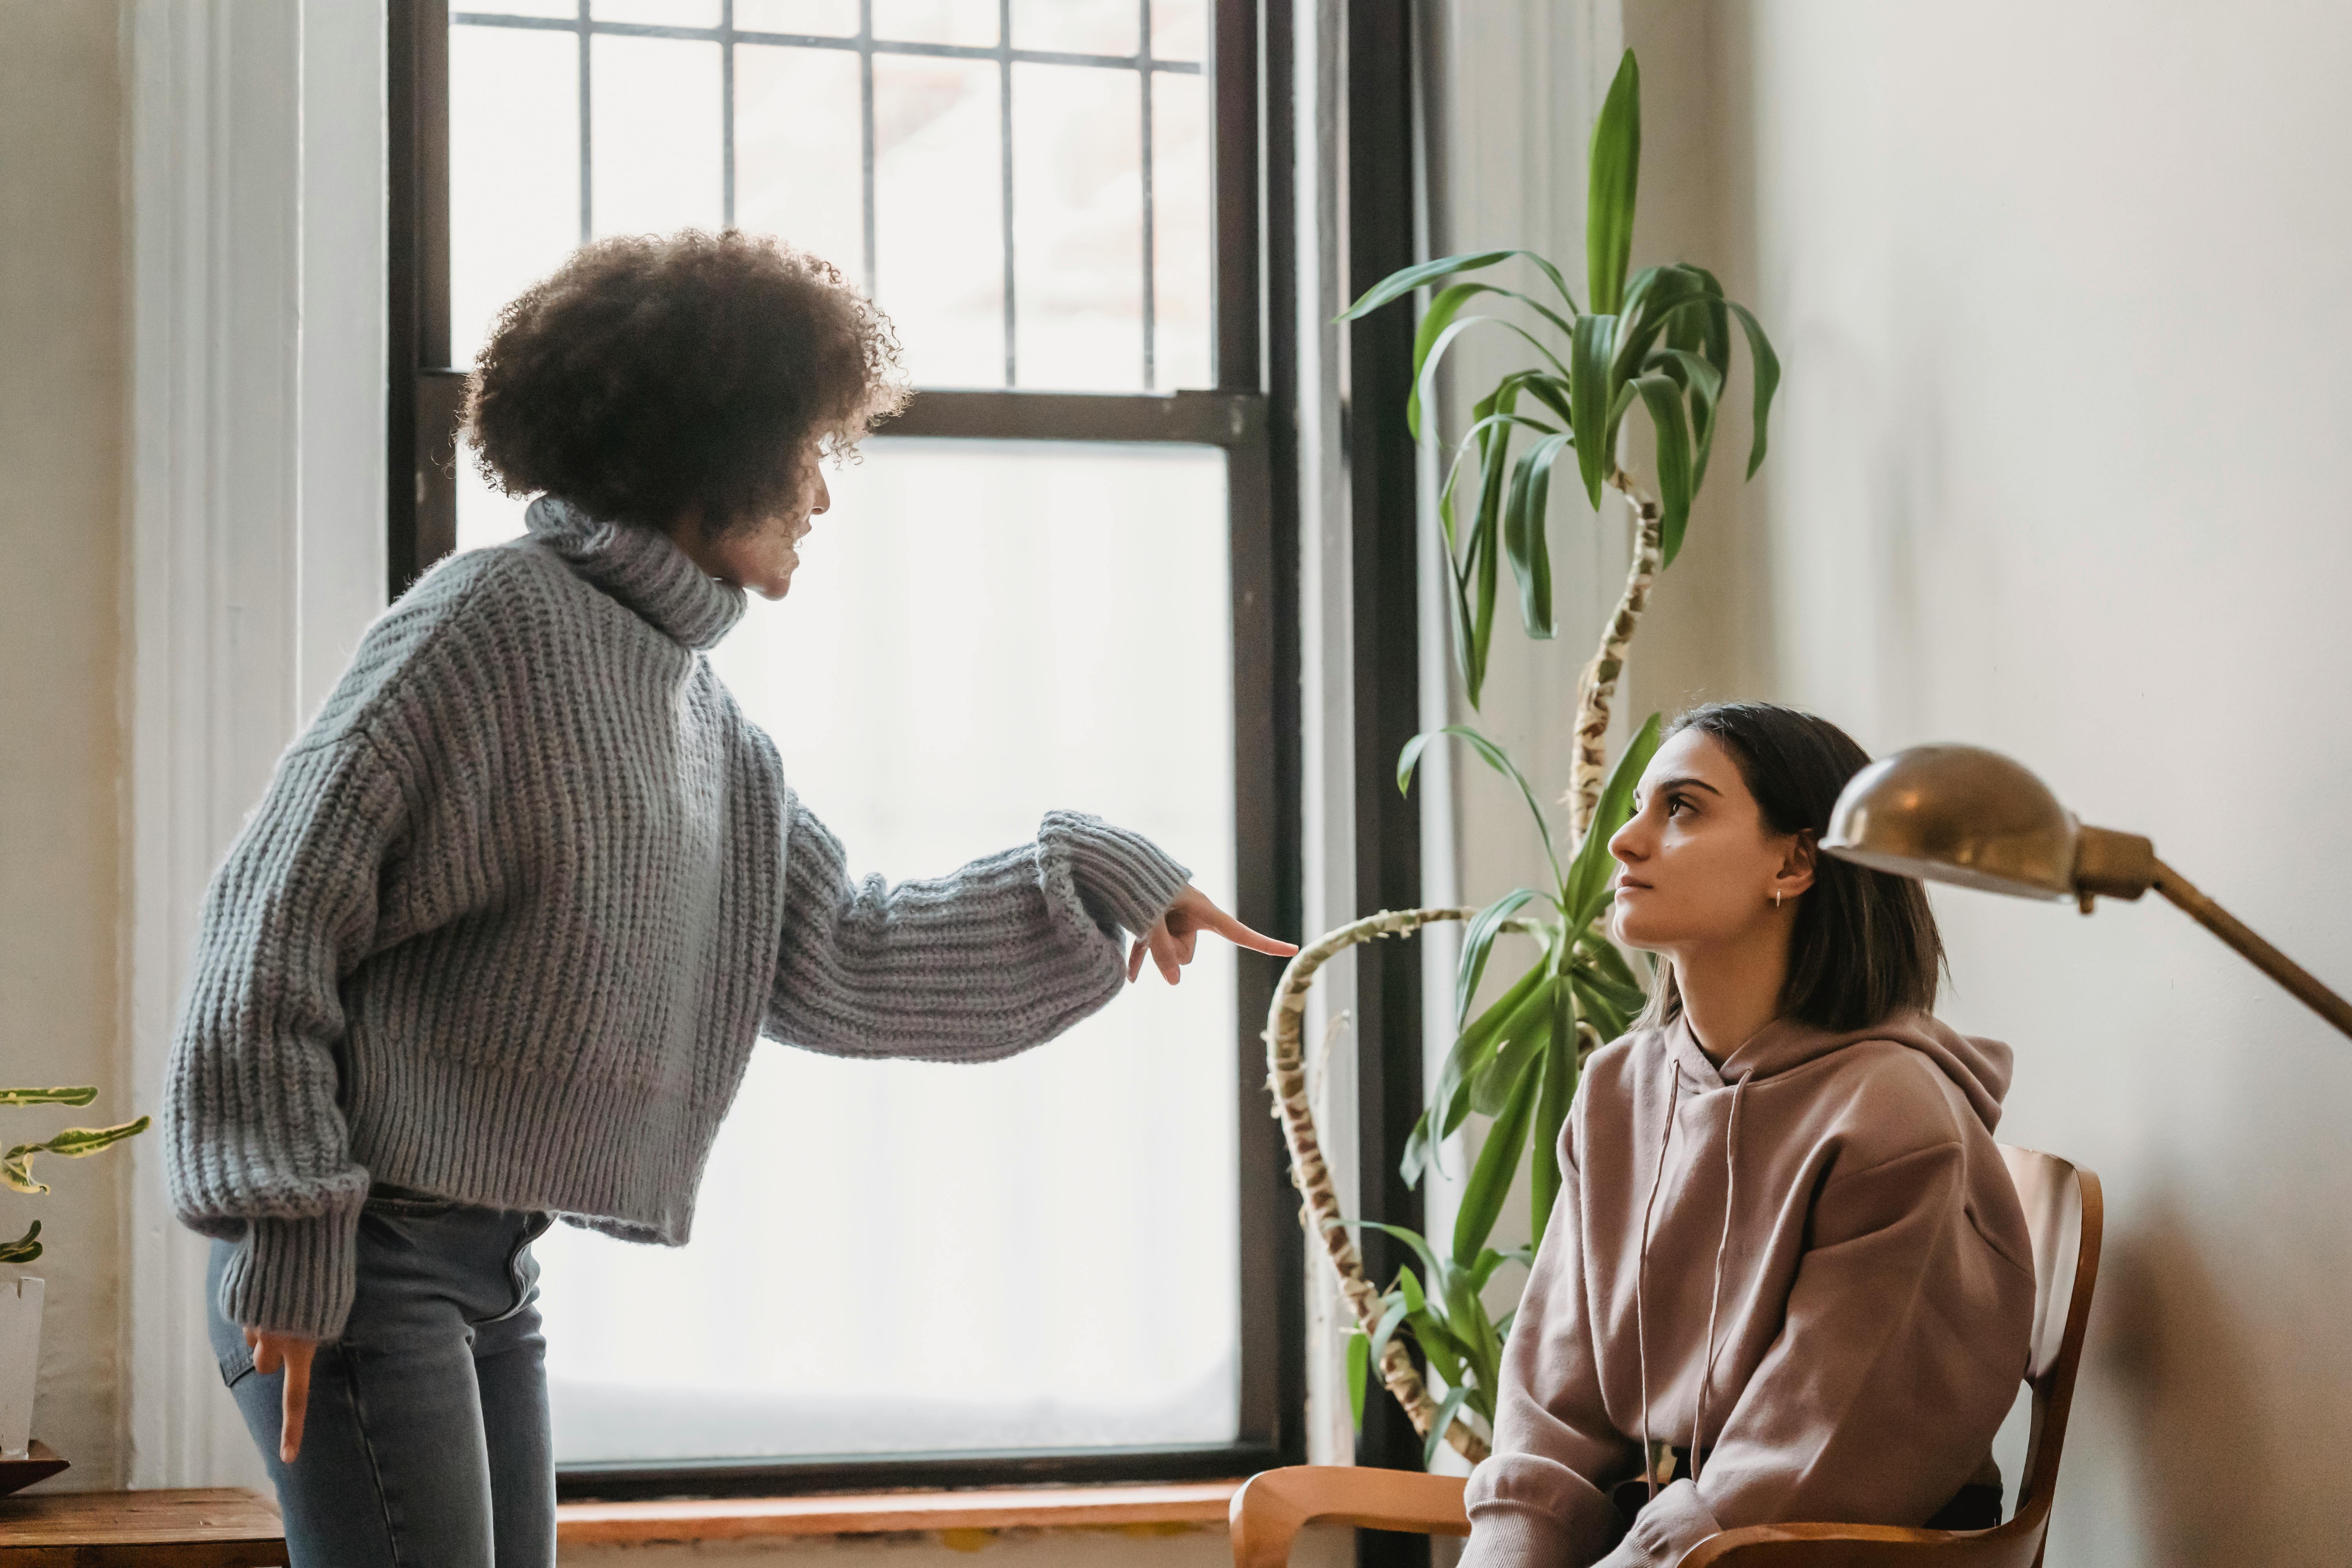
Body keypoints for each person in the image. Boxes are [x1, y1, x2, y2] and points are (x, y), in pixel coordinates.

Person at [160, 230, 1294, 1568]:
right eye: (809, 451)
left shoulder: (701, 717)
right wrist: (288, 1235)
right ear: (712, 455)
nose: (821, 495)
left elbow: (845, 955)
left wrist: (1091, 870)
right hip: (358, 1263)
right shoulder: (483, 624)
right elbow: (267, 928)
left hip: (484, 1268)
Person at [1461, 702, 2034, 1568]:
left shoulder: (1894, 1118)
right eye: (1637, 807)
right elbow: (1552, 1412)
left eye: (1681, 808)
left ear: (1796, 860)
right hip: (1670, 1538)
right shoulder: (1618, 1090)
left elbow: (1799, 1462)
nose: (1624, 840)